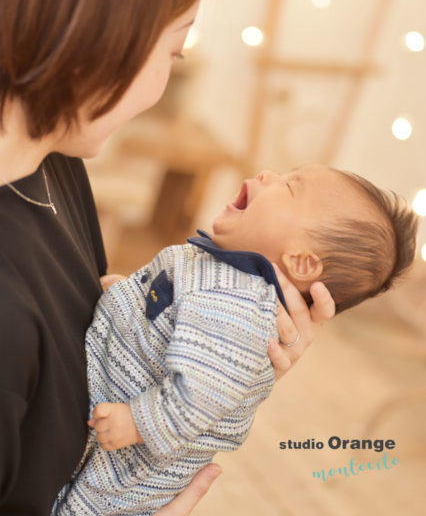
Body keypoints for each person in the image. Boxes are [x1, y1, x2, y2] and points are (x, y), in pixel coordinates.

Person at [0, 0, 336, 514]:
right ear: (96, 47)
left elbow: (86, 346)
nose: (163, 82)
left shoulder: (50, 163)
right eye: (174, 52)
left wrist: (222, 356)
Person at [52, 164, 417, 515]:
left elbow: (202, 394)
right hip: (105, 397)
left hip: (126, 463)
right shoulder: (223, 271)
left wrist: (137, 422)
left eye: (289, 186)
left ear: (301, 263)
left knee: (80, 503)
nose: (267, 175)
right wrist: (128, 297)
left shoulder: (242, 307)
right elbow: (176, 312)